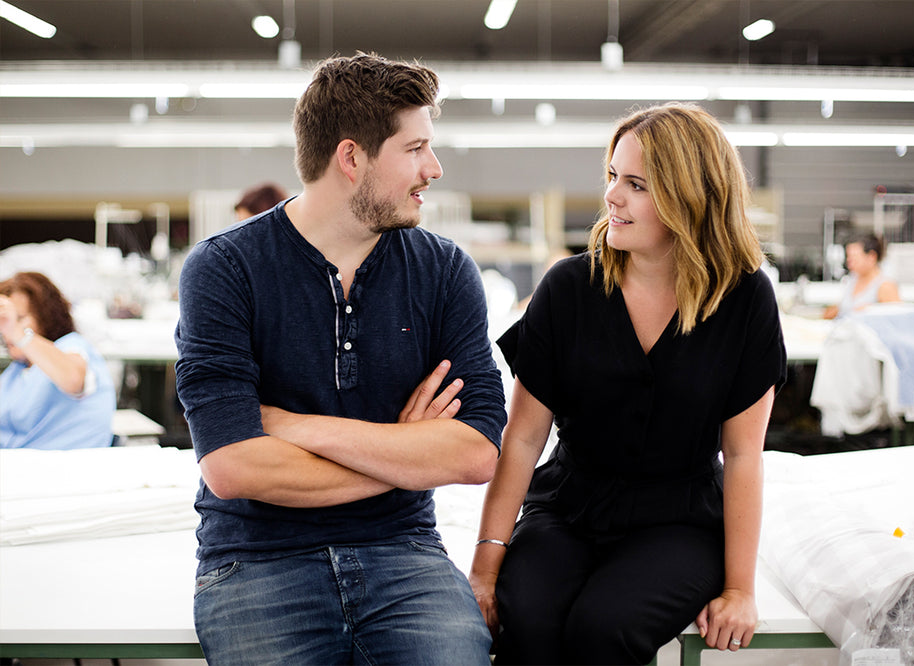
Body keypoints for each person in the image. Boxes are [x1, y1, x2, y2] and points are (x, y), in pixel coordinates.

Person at [174, 52, 506, 666]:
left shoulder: (443, 270)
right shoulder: (224, 268)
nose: (433, 168)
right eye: (415, 148)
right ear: (351, 158)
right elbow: (234, 468)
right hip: (256, 559)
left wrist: (290, 427)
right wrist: (407, 455)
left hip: (403, 550)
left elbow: (475, 452)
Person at [469, 103, 787, 665]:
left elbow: (743, 456)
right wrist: (485, 569)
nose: (611, 196)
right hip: (568, 507)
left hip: (680, 520)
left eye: (636, 185)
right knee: (528, 620)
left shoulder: (744, 299)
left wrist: (740, 589)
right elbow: (522, 439)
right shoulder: (569, 289)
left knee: (603, 629)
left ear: (691, 197)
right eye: (613, 176)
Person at [0, 271, 116, 449]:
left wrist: (17, 332)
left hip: (62, 463)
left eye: (19, 318)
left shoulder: (71, 347)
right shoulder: (16, 371)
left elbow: (73, 379)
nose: (5, 328)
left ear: (45, 317)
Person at [822, 233, 900, 319]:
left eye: (854, 258)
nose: (849, 262)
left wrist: (870, 310)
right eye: (848, 257)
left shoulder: (885, 286)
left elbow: (896, 320)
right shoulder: (852, 280)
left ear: (871, 257)